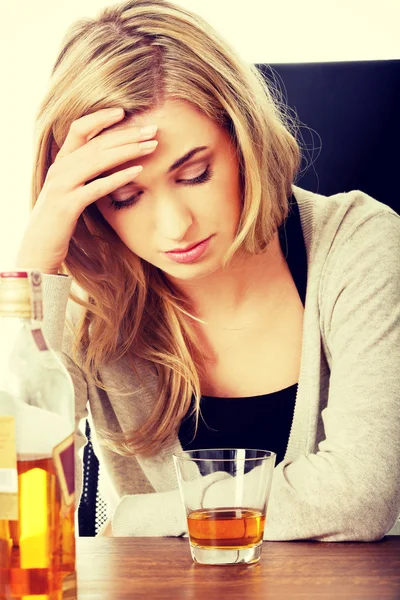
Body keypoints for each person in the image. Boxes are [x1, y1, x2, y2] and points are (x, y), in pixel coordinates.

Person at [16, 0, 400, 540]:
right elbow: (13, 482)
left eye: (195, 173)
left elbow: (359, 497)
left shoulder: (359, 243)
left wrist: (135, 519)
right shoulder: (90, 304)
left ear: (243, 141)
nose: (175, 227)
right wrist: (36, 256)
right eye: (125, 197)